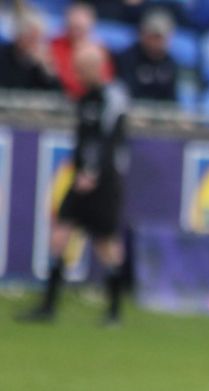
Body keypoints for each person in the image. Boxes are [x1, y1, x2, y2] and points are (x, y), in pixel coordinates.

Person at [17, 44, 130, 326]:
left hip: (102, 182)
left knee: (106, 244)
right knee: (60, 235)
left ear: (96, 67)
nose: (77, 74)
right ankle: (48, 306)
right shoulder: (85, 98)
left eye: (81, 68)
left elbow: (107, 140)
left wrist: (92, 171)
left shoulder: (112, 98)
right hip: (79, 178)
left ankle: (114, 311)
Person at [113, 8, 180, 103]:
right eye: (153, 36)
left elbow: (172, 100)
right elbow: (125, 92)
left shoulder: (170, 63)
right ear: (143, 34)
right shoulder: (127, 58)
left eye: (159, 37)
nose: (156, 42)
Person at [0, 10, 61, 91]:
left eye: (38, 39)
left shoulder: (40, 64)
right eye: (31, 38)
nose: (35, 44)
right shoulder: (3, 56)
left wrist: (47, 69)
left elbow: (56, 93)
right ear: (19, 37)